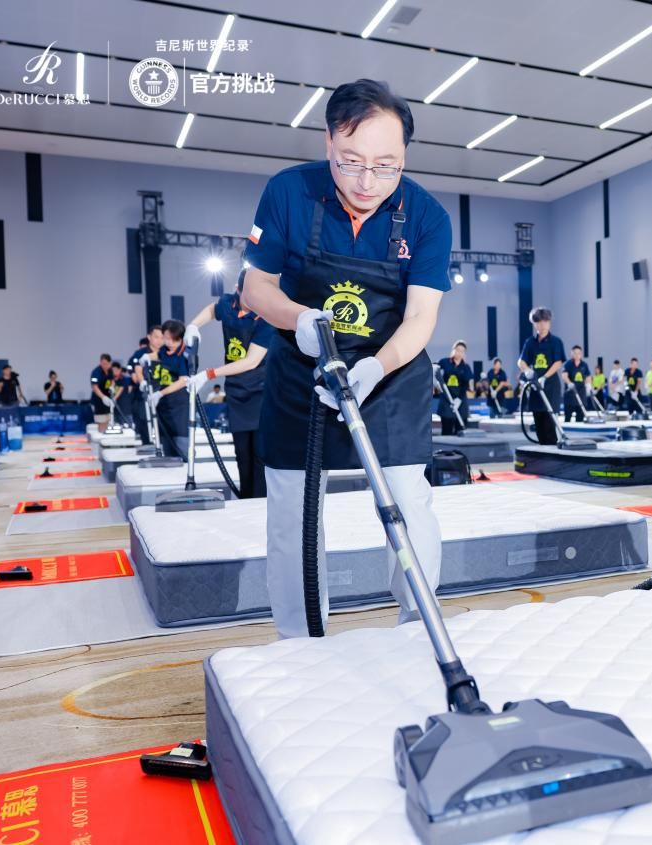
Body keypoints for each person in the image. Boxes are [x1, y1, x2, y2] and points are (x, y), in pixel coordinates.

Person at [241, 79, 451, 637]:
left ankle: (418, 628)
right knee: (292, 512)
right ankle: (299, 639)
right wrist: (301, 320)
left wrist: (377, 367)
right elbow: (255, 288)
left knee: (407, 500)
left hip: (390, 372)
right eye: (351, 162)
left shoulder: (427, 216)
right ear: (328, 141)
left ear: (405, 156)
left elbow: (421, 317)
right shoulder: (289, 192)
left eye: (386, 167)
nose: (366, 183)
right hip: (302, 368)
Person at [187, 270, 276, 498]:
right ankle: (245, 500)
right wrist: (193, 326)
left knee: (260, 457)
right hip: (236, 392)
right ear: (238, 289)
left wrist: (209, 374)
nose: (254, 299)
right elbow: (212, 310)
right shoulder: (228, 303)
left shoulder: (266, 317)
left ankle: (260, 503)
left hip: (261, 391)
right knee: (242, 455)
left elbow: (251, 361)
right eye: (249, 294)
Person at [518, 307, 565, 445]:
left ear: (549, 322)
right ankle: (543, 449)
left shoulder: (555, 341)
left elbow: (558, 362)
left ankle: (552, 450)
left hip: (551, 386)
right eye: (538, 322)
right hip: (535, 387)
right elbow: (521, 361)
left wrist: (545, 377)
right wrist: (527, 371)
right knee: (538, 422)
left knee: (549, 422)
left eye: (545, 321)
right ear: (534, 324)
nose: (542, 325)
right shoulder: (530, 342)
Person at [146, 321, 192, 459]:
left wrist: (160, 393)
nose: (167, 341)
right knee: (166, 440)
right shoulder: (164, 350)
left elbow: (183, 381)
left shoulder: (185, 354)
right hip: (164, 403)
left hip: (179, 404)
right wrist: (147, 357)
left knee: (181, 442)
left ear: (178, 337)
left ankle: (186, 463)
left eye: (170, 339)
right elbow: (158, 355)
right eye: (165, 338)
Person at [130, 327, 163, 446]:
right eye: (156, 337)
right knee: (144, 418)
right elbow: (138, 369)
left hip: (162, 391)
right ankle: (147, 443)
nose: (159, 340)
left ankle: (162, 444)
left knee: (162, 419)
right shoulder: (141, 353)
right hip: (146, 390)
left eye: (162, 337)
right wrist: (142, 381)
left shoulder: (166, 352)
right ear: (149, 337)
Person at [436, 340, 472, 435]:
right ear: (453, 350)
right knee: (447, 431)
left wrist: (459, 399)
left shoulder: (466, 367)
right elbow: (435, 371)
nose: (459, 353)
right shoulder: (444, 362)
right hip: (446, 399)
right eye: (458, 350)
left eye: (462, 351)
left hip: (460, 401)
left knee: (460, 431)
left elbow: (465, 385)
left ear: (464, 353)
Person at [562, 345, 591, 423]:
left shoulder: (584, 365)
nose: (577, 355)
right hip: (570, 395)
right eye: (575, 353)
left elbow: (588, 376)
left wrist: (588, 385)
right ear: (572, 353)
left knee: (580, 418)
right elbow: (564, 376)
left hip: (581, 394)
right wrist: (569, 383)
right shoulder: (568, 364)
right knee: (567, 417)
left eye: (579, 353)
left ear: (581, 354)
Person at [89, 353, 115, 432]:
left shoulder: (110, 370)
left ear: (110, 363)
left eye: (106, 364)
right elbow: (94, 387)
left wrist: (112, 387)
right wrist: (103, 397)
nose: (104, 365)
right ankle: (101, 435)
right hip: (99, 399)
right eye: (102, 363)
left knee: (108, 419)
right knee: (101, 420)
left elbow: (112, 380)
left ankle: (105, 435)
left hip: (108, 397)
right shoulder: (96, 372)